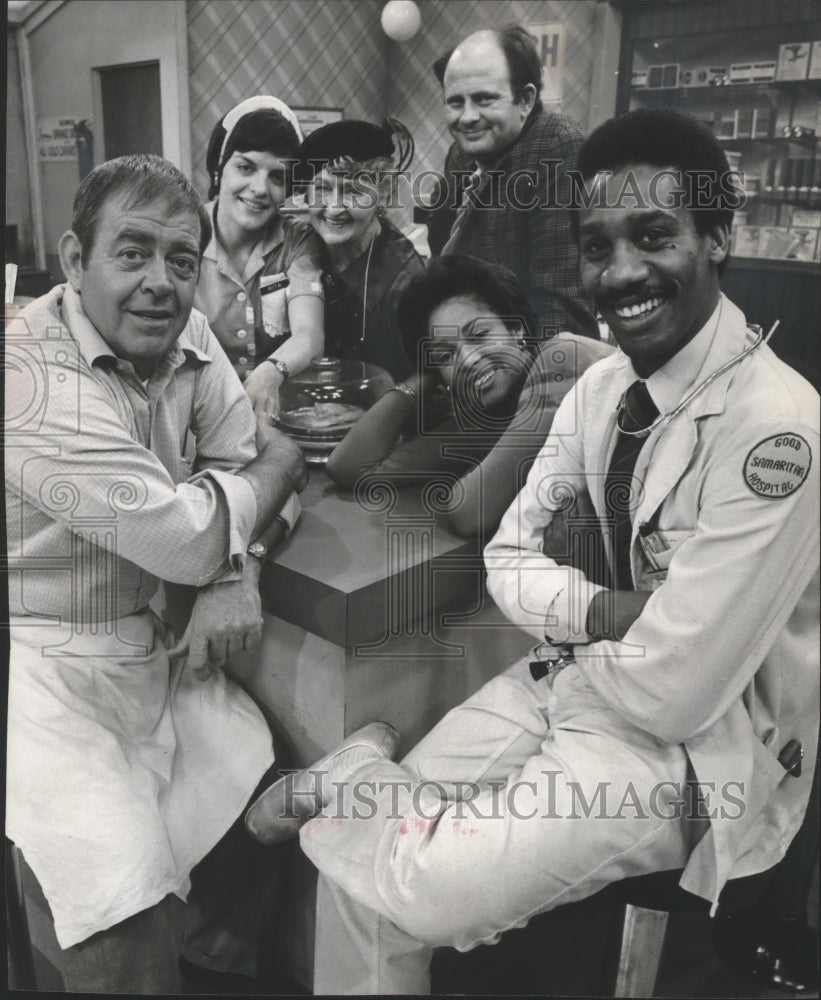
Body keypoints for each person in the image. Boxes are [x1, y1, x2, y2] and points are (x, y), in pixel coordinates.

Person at [242, 108, 819, 994]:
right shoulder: (601, 388)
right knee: (362, 889)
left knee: (426, 889)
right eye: (595, 246)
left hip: (697, 749)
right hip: (564, 676)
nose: (619, 271)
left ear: (716, 238)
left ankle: (355, 769)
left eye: (652, 235)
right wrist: (609, 614)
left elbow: (677, 694)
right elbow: (505, 556)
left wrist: (576, 621)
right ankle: (363, 784)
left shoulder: (776, 430)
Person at [5, 153, 308, 994]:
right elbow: (211, 517)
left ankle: (205, 960)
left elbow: (232, 474)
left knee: (265, 794)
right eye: (131, 253)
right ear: (74, 260)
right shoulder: (26, 378)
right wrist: (267, 478)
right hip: (35, 667)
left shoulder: (189, 334)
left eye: (180, 261)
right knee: (117, 915)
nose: (159, 284)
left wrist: (234, 568)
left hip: (145, 642)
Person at [325, 254, 612, 537]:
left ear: (516, 329)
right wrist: (426, 375)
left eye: (478, 336)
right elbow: (349, 467)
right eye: (446, 355)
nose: (469, 360)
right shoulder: (485, 415)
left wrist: (444, 361)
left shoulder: (563, 360)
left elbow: (470, 513)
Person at [431, 24, 598, 341]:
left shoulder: (556, 145)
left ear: (525, 100)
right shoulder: (461, 155)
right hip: (462, 345)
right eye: (455, 102)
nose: (467, 117)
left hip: (526, 356)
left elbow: (562, 314)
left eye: (484, 99)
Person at [196, 95, 325, 419]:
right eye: (246, 167)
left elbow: (309, 333)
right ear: (219, 170)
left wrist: (272, 370)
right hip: (195, 411)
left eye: (277, 177)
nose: (259, 188)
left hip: (269, 411)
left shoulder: (298, 241)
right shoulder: (184, 232)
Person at [298, 117, 423, 380]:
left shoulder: (406, 279)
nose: (334, 208)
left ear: (384, 195)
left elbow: (426, 378)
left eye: (353, 191)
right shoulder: (298, 247)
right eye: (322, 188)